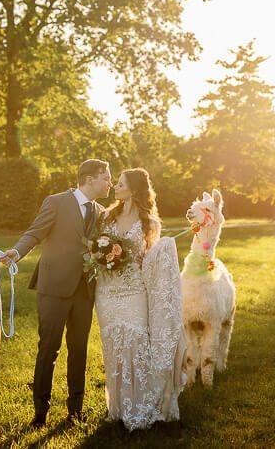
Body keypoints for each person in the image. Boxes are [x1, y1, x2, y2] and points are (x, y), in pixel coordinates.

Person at [1, 159, 112, 427]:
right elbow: (35, 232)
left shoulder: (102, 212)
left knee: (79, 351)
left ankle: (75, 410)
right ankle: (41, 411)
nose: (110, 183)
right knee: (48, 349)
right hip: (53, 287)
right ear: (89, 178)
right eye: (106, 178)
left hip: (84, 291)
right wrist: (17, 251)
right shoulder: (56, 202)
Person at [94, 168, 185, 430]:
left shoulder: (149, 223)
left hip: (134, 290)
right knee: (114, 345)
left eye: (120, 184)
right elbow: (97, 245)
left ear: (133, 189)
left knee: (136, 342)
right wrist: (104, 256)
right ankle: (119, 409)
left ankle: (142, 406)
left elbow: (150, 258)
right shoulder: (107, 216)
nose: (115, 187)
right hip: (107, 291)